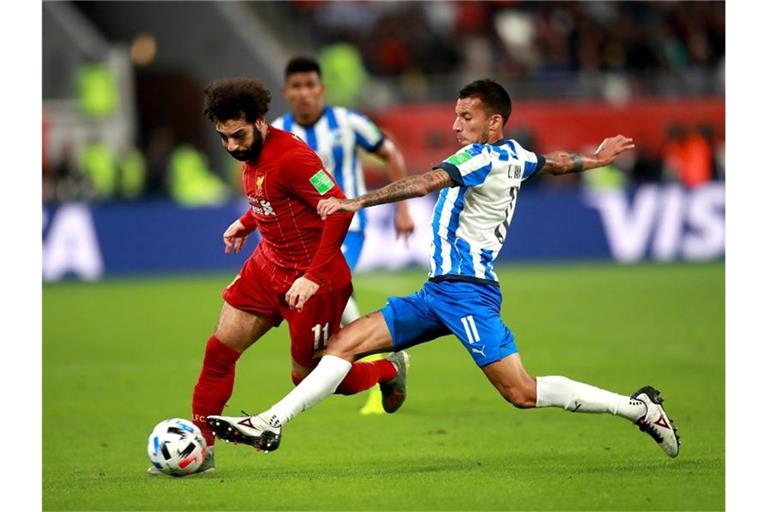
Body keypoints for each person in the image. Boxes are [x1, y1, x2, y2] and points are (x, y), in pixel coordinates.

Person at [206, 79, 680, 459]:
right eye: (456, 115)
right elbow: (553, 162)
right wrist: (593, 159)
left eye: (466, 116)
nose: (456, 125)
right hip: (437, 292)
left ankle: (638, 409)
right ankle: (270, 422)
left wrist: (360, 199)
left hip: (469, 294)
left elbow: (425, 181)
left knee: (520, 391)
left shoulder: (478, 157)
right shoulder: (517, 155)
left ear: (494, 122)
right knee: (344, 344)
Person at [148, 78, 409, 475]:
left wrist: (313, 277)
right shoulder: (250, 155)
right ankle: (202, 451)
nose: (232, 146)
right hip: (266, 268)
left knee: (310, 377)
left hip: (314, 282)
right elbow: (274, 198)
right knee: (219, 352)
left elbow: (339, 209)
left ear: (260, 121)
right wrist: (246, 222)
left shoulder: (292, 156)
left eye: (238, 135)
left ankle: (389, 368)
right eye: (223, 138)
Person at [272, 56, 415, 415]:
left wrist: (402, 208)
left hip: (348, 227)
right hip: (301, 236)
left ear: (321, 89)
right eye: (296, 87)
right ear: (287, 92)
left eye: (310, 85)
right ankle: (388, 359)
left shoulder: (348, 123)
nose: (304, 93)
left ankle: (378, 360)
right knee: (325, 298)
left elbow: (390, 152)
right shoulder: (277, 131)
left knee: (322, 286)